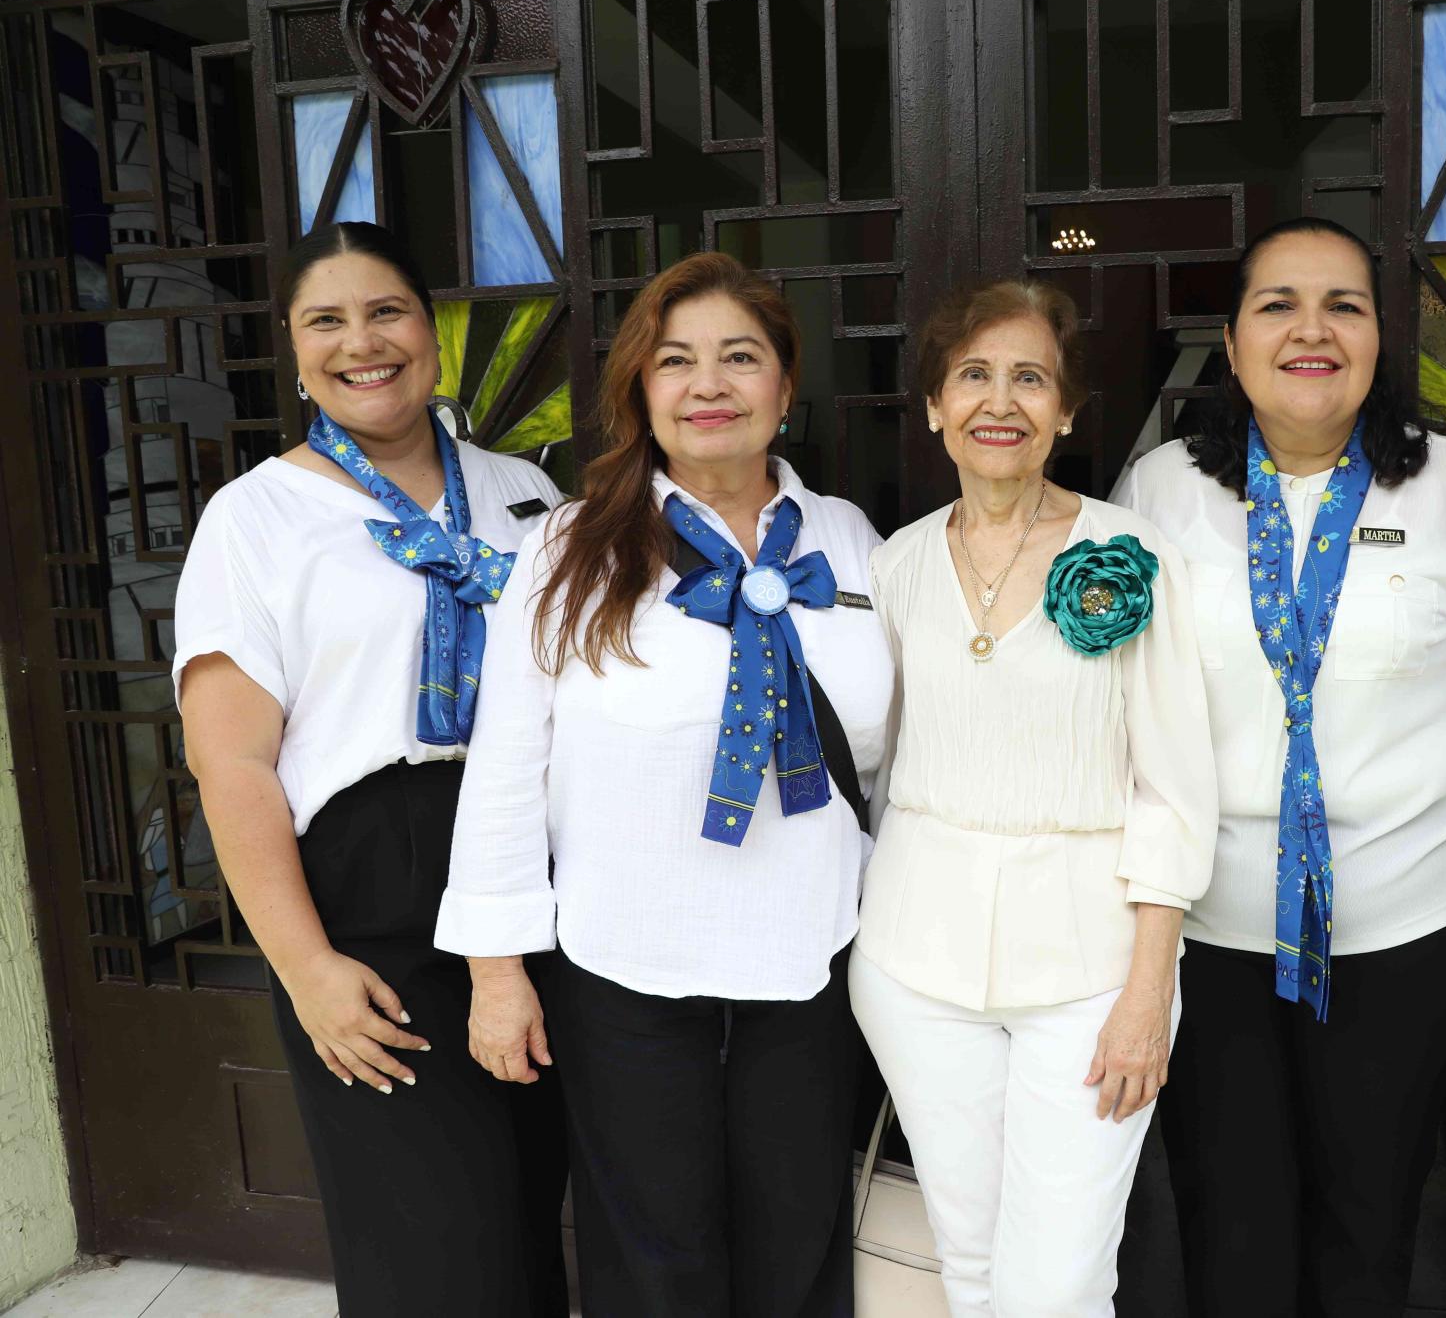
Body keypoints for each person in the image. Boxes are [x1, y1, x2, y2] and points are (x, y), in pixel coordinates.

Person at [435, 251, 894, 1316]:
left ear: (784, 386)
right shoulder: (566, 546)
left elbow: (895, 753)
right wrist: (496, 973)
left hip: (809, 958)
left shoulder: (852, 541)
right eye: (675, 360)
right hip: (627, 966)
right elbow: (506, 763)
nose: (709, 384)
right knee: (654, 1258)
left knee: (799, 1244)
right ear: (640, 390)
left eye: (741, 357)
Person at [1114, 216, 1446, 1317]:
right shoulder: (1159, 491)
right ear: (1232, 337)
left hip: (1415, 925)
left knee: (1367, 1220)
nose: (1311, 330)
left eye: (1342, 305)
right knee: (1229, 1220)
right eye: (1277, 304)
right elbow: (1107, 693)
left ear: (1377, 337)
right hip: (1209, 932)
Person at [175, 221, 568, 1316]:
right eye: (326, 322)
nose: (363, 342)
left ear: (430, 331)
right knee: (434, 1249)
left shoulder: (521, 491)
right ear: (294, 352)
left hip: (533, 880)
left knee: (530, 1211)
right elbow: (234, 764)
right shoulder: (254, 519)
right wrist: (304, 968)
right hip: (371, 895)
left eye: (386, 310)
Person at [849, 278, 1217, 1316]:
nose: (996, 400)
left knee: (1056, 1283)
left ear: (1064, 410)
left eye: (1027, 377)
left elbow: (1174, 784)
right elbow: (875, 758)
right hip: (914, 961)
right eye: (970, 375)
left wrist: (1147, 992)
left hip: (1092, 972)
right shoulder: (896, 563)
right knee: (967, 1261)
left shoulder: (1130, 555)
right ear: (931, 407)